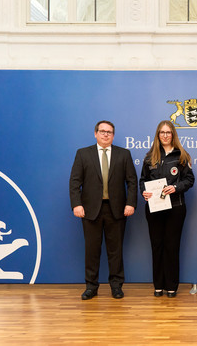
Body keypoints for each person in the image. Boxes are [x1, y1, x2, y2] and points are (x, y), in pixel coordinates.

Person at [69, 120, 138, 300]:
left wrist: (131, 203)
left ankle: (116, 286)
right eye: (102, 131)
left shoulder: (124, 154)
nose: (106, 134)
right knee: (92, 251)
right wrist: (77, 204)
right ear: (95, 133)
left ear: (113, 135)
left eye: (109, 132)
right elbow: (75, 182)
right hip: (90, 211)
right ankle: (91, 286)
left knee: (115, 251)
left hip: (117, 210)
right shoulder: (83, 154)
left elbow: (132, 181)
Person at [139, 120, 194, 298]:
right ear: (157, 135)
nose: (165, 135)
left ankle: (171, 286)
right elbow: (142, 181)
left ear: (173, 135)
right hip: (154, 208)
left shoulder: (182, 156)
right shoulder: (150, 157)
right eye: (162, 132)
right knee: (157, 246)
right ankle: (158, 285)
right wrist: (144, 192)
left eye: (168, 132)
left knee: (172, 246)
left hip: (176, 208)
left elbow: (189, 180)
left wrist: (176, 188)